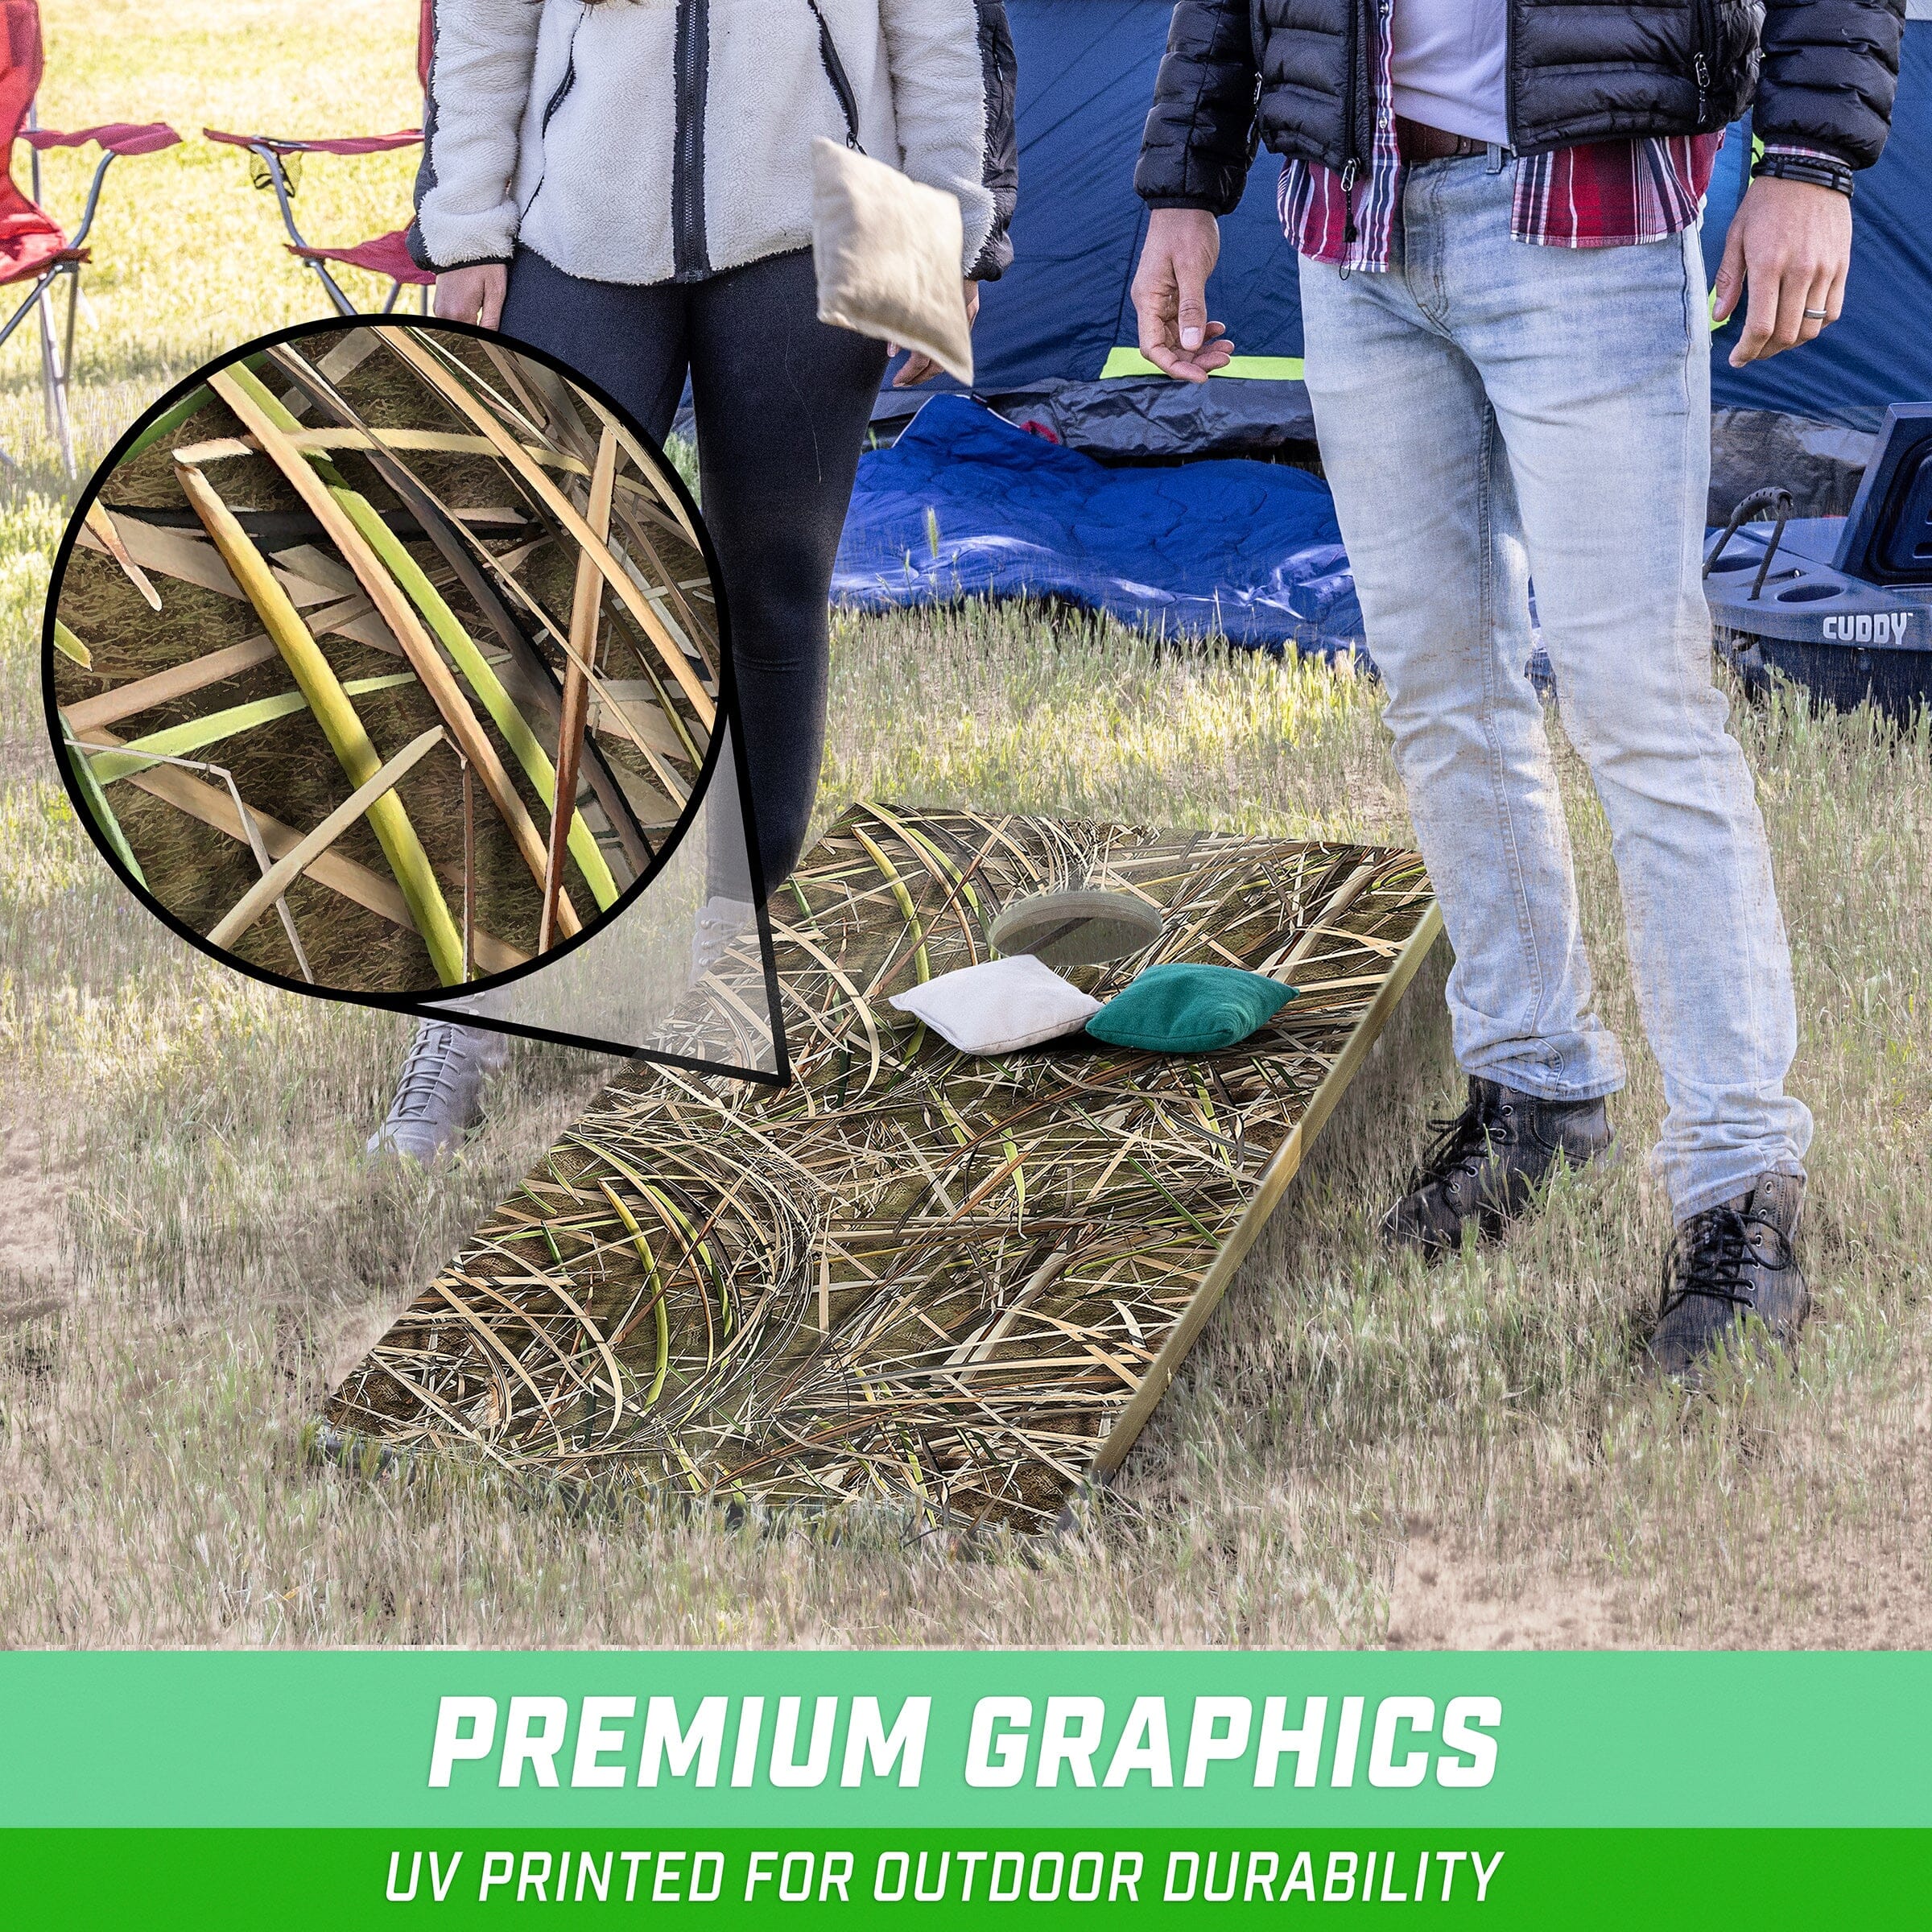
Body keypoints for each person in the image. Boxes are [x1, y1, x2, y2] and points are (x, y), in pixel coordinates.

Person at [1130, 0, 1903, 1376]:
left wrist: (1812, 163)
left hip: (1589, 219)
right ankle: (1539, 1086)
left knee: (1642, 707)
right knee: (1439, 686)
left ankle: (1739, 1190)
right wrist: (1187, 187)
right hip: (1355, 224)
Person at [367, 0, 1018, 1160]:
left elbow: (939, 22)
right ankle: (471, 1006)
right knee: (531, 600)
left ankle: (732, 959)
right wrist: (466, 226)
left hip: (823, 220)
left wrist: (953, 237)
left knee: (772, 587)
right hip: (577, 228)